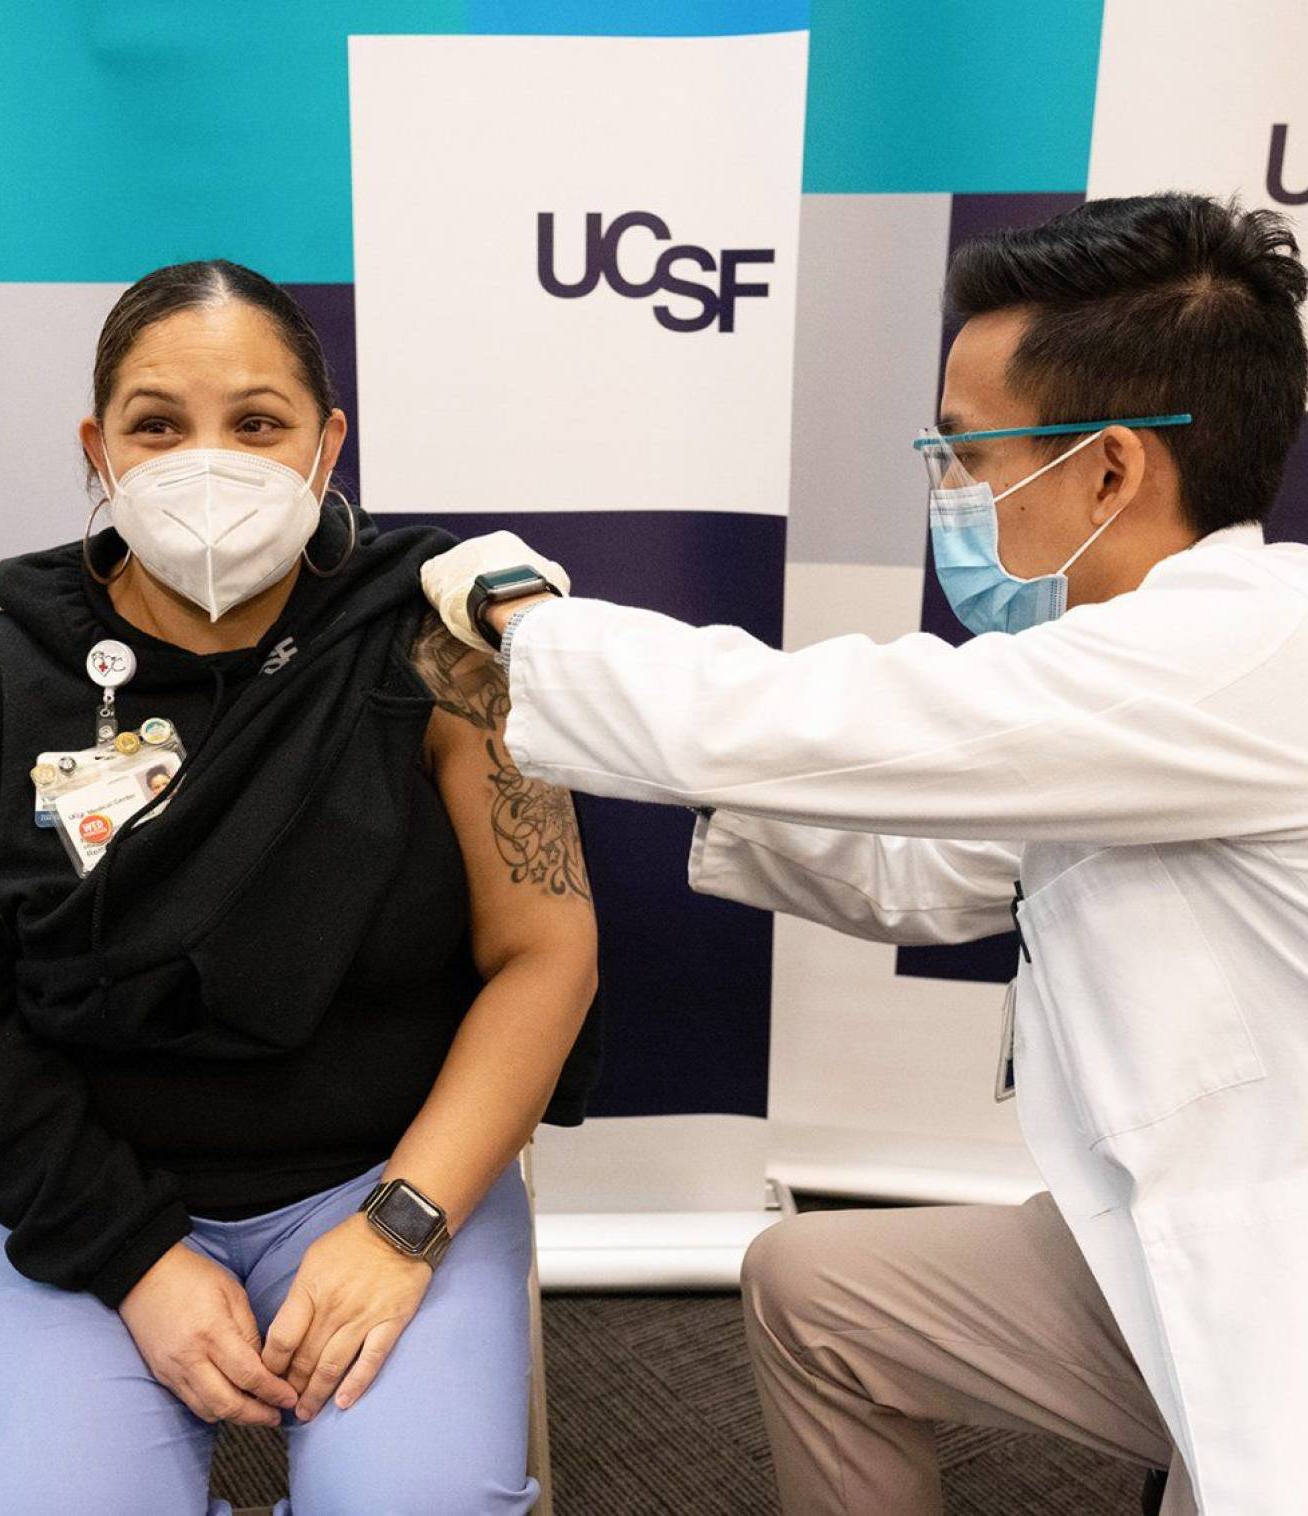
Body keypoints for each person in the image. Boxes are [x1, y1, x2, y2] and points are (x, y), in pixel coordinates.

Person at [418, 193, 1308, 1515]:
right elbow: (931, 872)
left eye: (969, 453)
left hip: (1269, 1278)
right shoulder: (1122, 696)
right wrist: (663, 776)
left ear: (1111, 469)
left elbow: (809, 719)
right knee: (812, 1291)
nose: (952, 493)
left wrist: (529, 622)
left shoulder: (1245, 655)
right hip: (1194, 1239)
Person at [0, 260, 600, 1515]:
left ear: (327, 445)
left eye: (257, 422)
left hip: (383, 1173)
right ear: (100, 449)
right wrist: (133, 1255)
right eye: (158, 423)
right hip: (89, 1192)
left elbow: (548, 951)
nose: (208, 459)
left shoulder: (434, 648)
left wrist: (400, 1228)